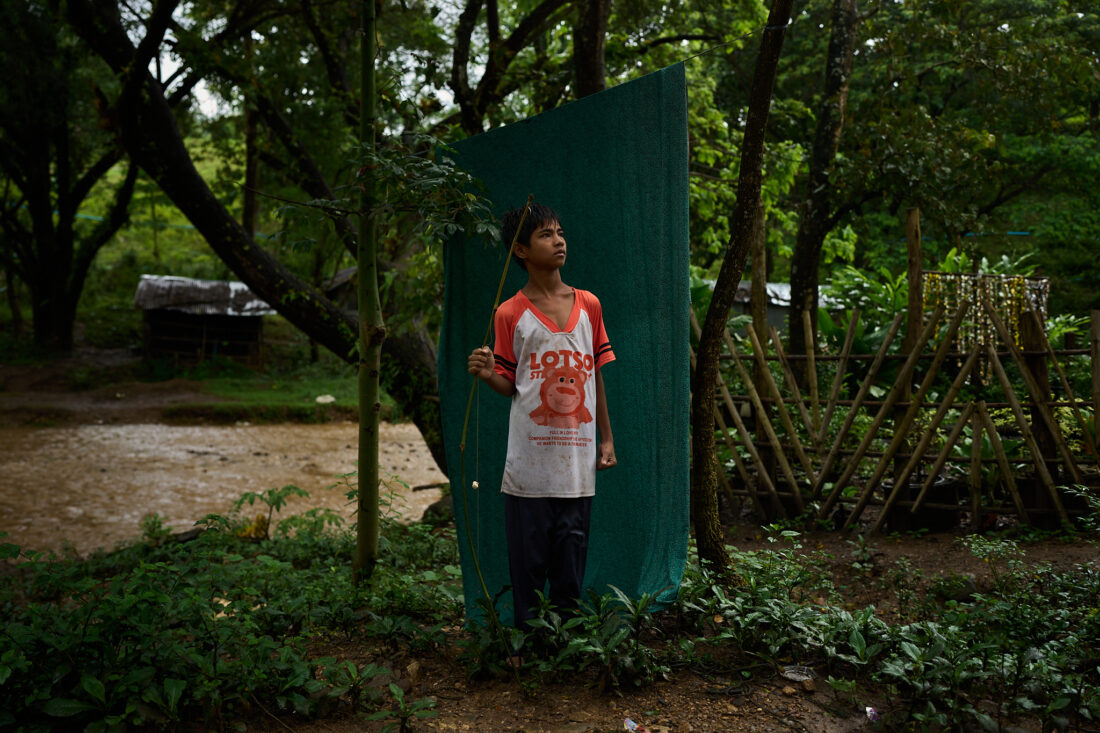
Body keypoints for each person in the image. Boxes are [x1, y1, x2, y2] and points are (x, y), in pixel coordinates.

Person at [467, 202, 616, 634]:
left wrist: (606, 439)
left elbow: (595, 378)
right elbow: (510, 384)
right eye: (546, 235)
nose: (559, 241)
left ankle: (566, 646)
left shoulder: (589, 305)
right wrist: (486, 373)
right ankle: (527, 646)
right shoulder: (509, 312)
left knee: (571, 563)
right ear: (521, 250)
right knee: (528, 565)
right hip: (528, 465)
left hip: (577, 464)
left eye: (560, 232)